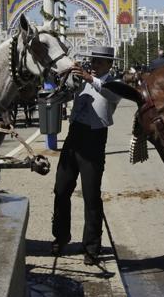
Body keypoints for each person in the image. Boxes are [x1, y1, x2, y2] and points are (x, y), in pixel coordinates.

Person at [51, 45, 125, 265]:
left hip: (94, 138)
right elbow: (61, 94)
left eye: (99, 62)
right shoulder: (83, 80)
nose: (94, 65)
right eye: (93, 61)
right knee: (61, 189)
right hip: (74, 136)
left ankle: (92, 247)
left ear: (110, 64)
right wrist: (66, 75)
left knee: (91, 195)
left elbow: (108, 93)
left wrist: (89, 78)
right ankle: (60, 236)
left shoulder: (114, 83)